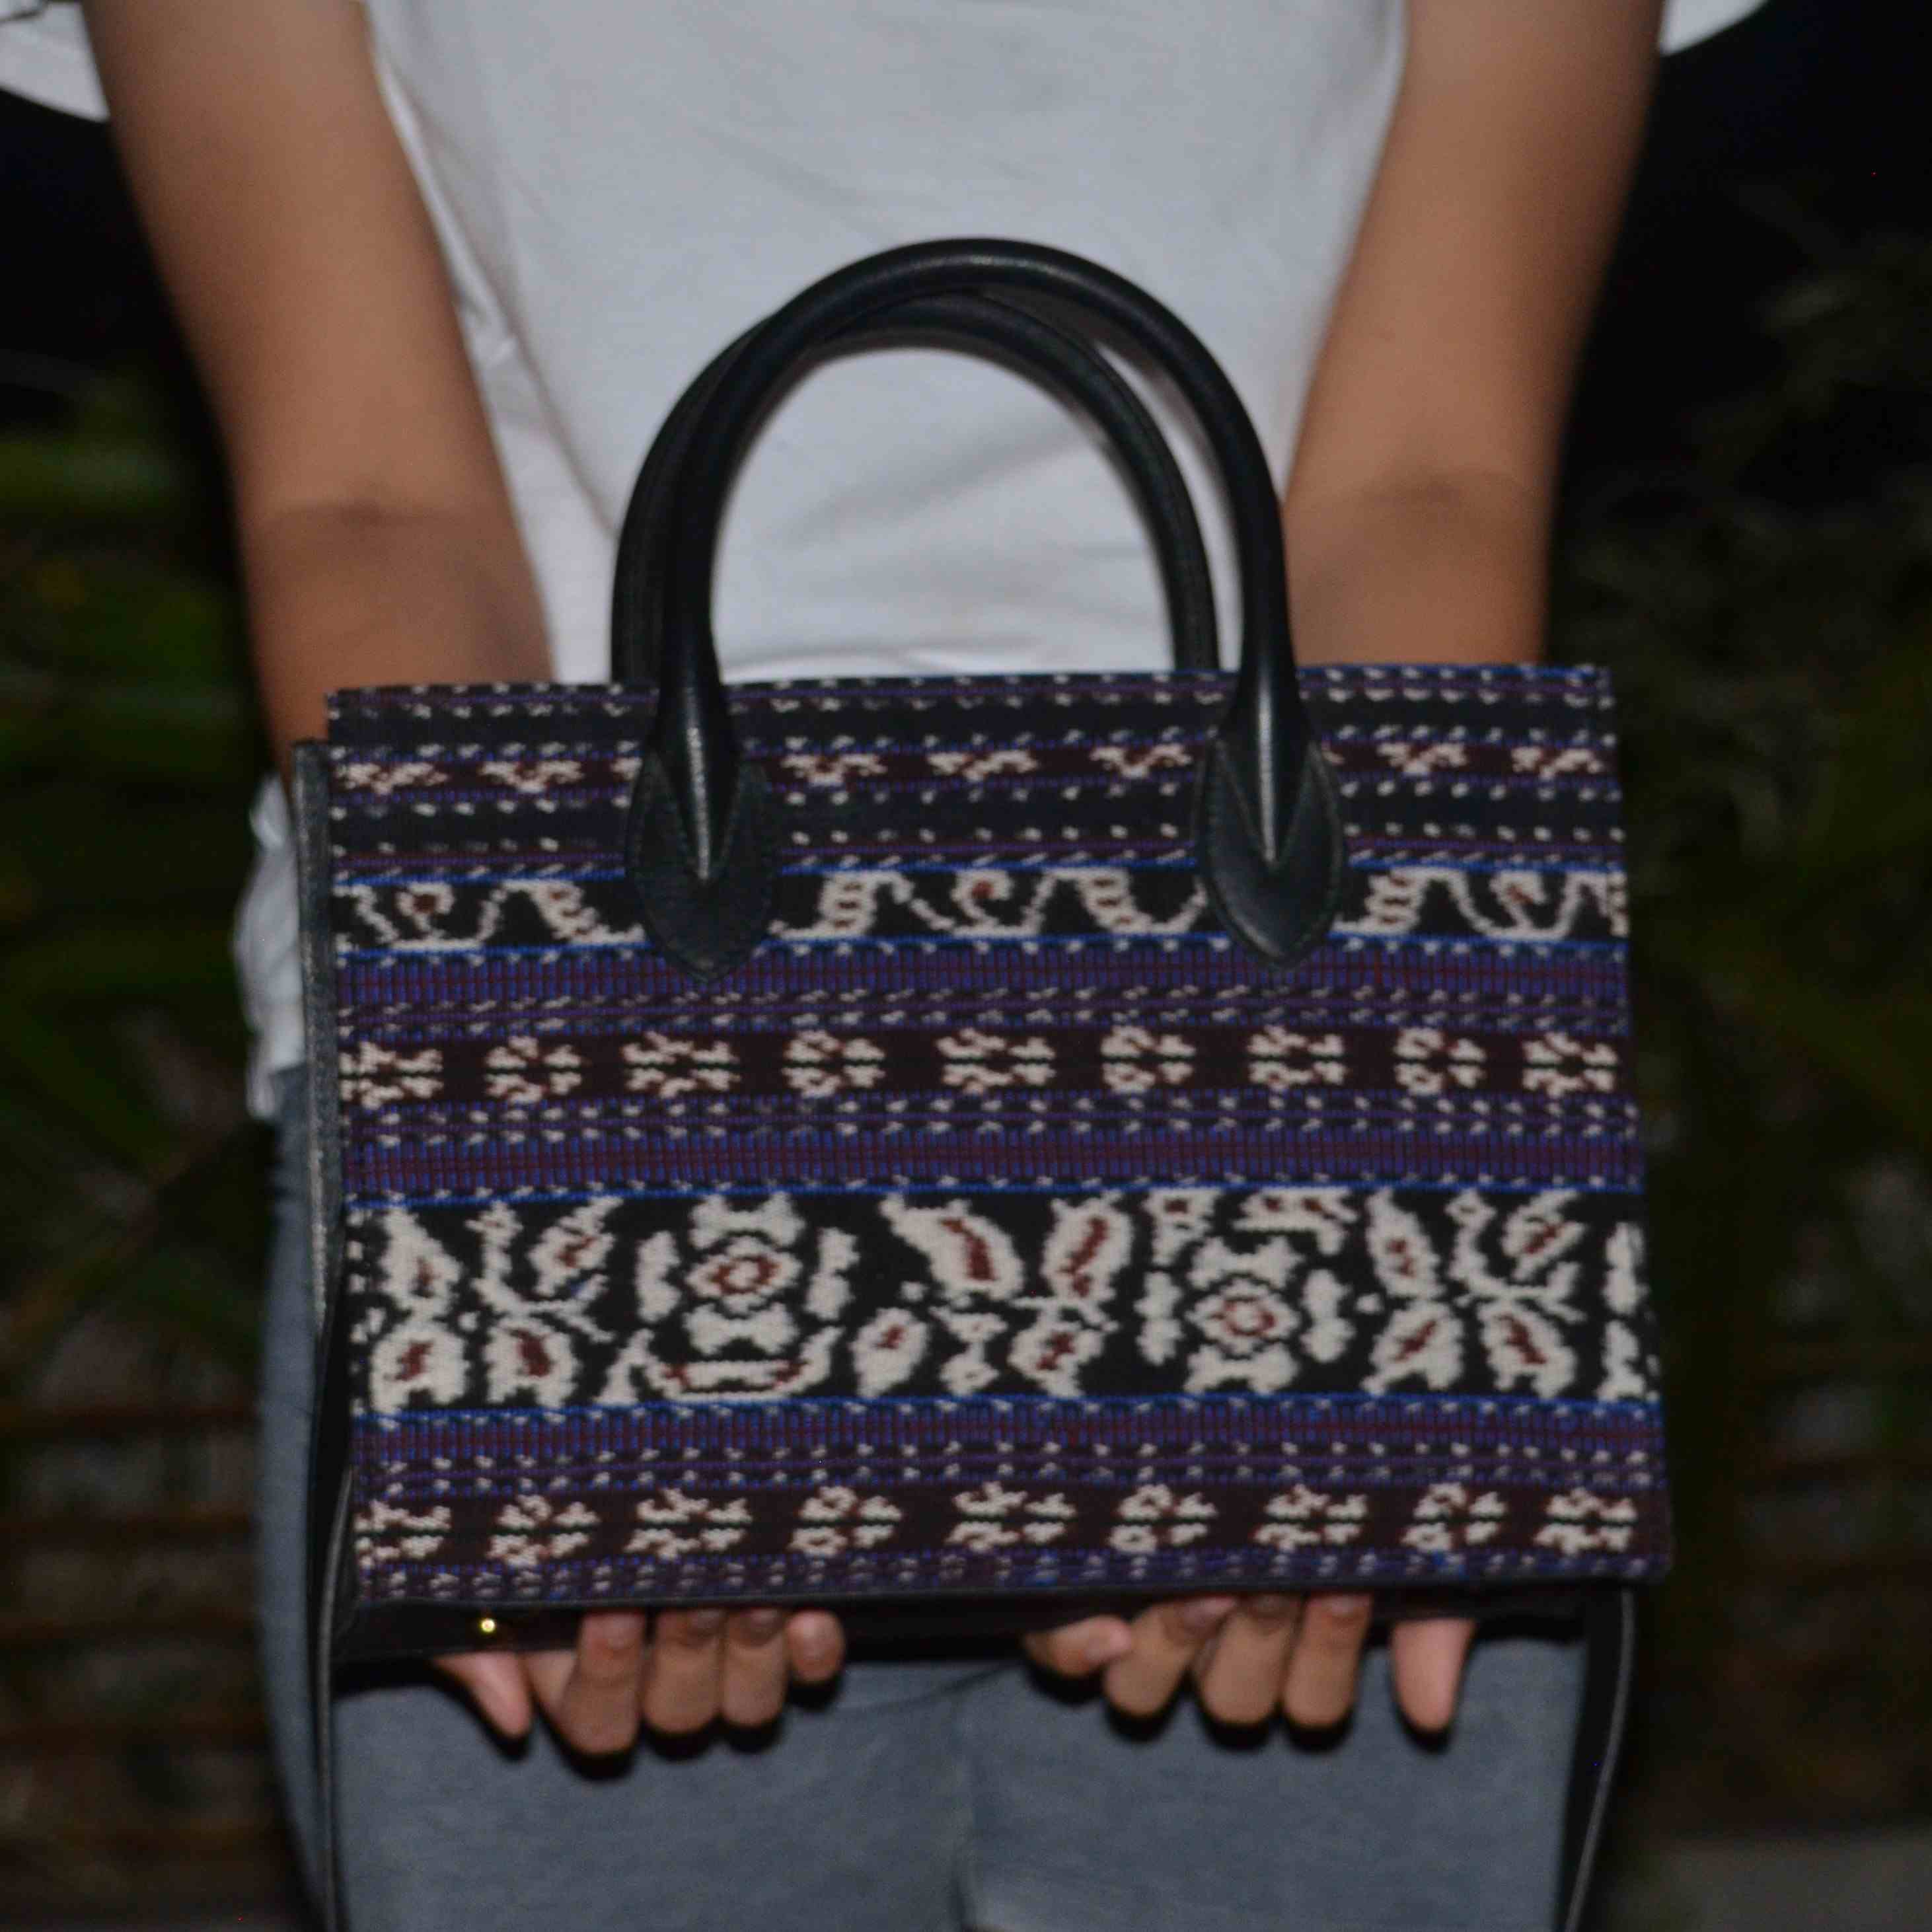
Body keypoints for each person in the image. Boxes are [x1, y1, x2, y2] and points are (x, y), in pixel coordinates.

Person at [3, 1, 1759, 1926]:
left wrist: (1362, 1277)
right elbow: (368, 507)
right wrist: (547, 1341)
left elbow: (1430, 485)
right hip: (552, 1099)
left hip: (1302, 1068)